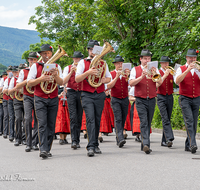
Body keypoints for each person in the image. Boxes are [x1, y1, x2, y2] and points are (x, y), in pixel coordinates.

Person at [75, 40, 111, 157]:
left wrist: (103, 80)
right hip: (86, 94)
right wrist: (88, 72)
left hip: (99, 93)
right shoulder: (82, 62)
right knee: (90, 118)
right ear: (88, 50)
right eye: (91, 50)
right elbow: (77, 79)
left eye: (96, 50)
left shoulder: (103, 63)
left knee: (97, 119)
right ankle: (90, 146)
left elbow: (109, 78)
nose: (93, 52)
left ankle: (95, 144)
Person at [27, 44, 63, 159]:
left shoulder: (57, 66)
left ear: (51, 54)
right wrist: (40, 79)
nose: (46, 55)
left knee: (51, 124)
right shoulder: (35, 66)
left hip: (53, 97)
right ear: (41, 55)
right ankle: (43, 149)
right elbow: (29, 83)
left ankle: (47, 148)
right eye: (44, 53)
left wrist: (55, 75)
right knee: (42, 124)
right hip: (40, 98)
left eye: (48, 53)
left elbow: (61, 82)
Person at [129, 49, 162, 154]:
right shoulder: (135, 69)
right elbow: (131, 83)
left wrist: (155, 74)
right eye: (145, 59)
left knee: (148, 121)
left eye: (149, 59)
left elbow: (160, 82)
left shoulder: (154, 69)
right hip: (140, 99)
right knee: (143, 121)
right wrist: (142, 76)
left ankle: (144, 144)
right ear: (141, 59)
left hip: (151, 99)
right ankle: (147, 144)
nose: (147, 61)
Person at [175, 48, 200, 154]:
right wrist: (187, 70)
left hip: (197, 97)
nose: (193, 59)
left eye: (194, 57)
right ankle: (193, 144)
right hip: (185, 98)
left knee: (193, 122)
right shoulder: (181, 68)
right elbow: (177, 81)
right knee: (189, 120)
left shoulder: (198, 69)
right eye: (190, 57)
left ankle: (187, 144)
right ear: (186, 58)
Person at [16, 53, 39, 151]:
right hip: (28, 96)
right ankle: (28, 143)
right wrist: (27, 81)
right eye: (31, 60)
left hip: (38, 96)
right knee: (28, 118)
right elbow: (17, 86)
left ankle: (35, 143)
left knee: (38, 119)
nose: (33, 61)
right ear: (28, 60)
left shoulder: (40, 69)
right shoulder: (23, 71)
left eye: (34, 60)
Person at [107, 55, 130, 148]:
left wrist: (128, 76)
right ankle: (120, 138)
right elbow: (109, 86)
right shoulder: (111, 74)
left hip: (125, 99)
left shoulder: (126, 74)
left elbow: (130, 86)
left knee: (123, 118)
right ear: (115, 64)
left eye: (121, 63)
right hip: (115, 99)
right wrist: (116, 77)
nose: (120, 65)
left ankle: (118, 137)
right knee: (118, 118)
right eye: (118, 64)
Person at [63, 51, 84, 149]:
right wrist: (71, 71)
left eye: (79, 59)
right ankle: (74, 140)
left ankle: (77, 140)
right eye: (75, 59)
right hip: (71, 92)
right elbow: (63, 81)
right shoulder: (67, 68)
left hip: (81, 92)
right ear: (73, 59)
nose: (77, 60)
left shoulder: (83, 68)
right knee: (73, 116)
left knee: (79, 117)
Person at [156, 56, 174, 148]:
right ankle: (169, 138)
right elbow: (156, 84)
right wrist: (165, 75)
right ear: (161, 64)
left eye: (168, 63)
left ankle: (164, 140)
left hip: (170, 96)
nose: (167, 65)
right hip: (160, 97)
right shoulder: (157, 72)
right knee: (165, 117)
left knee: (168, 118)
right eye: (165, 63)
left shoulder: (171, 72)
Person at [2, 66, 13, 140]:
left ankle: (12, 133)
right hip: (6, 99)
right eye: (9, 71)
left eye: (11, 71)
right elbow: (3, 90)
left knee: (12, 117)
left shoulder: (15, 78)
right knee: (6, 116)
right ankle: (5, 132)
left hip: (14, 99)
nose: (10, 72)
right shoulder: (5, 79)